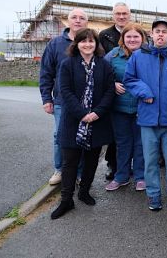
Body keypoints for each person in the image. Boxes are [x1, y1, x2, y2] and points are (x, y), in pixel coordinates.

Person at [124, 20, 167, 212]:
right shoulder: (139, 56)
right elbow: (129, 80)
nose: (161, 35)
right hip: (147, 119)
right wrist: (144, 92)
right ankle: (153, 195)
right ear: (151, 34)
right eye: (157, 31)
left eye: (164, 32)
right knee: (150, 160)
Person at [51, 28, 115, 219]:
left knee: (91, 161)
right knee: (70, 163)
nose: (87, 44)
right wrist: (82, 114)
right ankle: (66, 200)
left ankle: (84, 192)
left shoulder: (104, 65)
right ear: (76, 44)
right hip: (73, 121)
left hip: (97, 121)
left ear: (96, 44)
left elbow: (109, 91)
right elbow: (65, 92)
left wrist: (96, 113)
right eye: (83, 41)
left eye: (91, 41)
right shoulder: (67, 64)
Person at [40, 8, 88, 185]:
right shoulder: (55, 44)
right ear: (68, 21)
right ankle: (59, 170)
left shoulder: (91, 42)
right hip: (62, 101)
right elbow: (46, 72)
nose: (77, 20)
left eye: (81, 18)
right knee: (60, 136)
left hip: (86, 101)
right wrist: (46, 99)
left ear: (86, 22)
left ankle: (80, 173)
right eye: (74, 17)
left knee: (83, 136)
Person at [104, 23, 146, 192]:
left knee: (141, 143)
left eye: (136, 36)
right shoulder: (113, 55)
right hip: (119, 107)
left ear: (142, 38)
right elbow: (102, 75)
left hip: (142, 107)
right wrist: (112, 84)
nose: (132, 39)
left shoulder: (148, 55)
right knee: (122, 143)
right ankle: (121, 176)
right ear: (123, 38)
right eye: (129, 36)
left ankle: (140, 176)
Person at [99, 2, 132, 181]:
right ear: (113, 16)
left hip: (133, 93)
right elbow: (101, 64)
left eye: (124, 13)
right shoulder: (104, 35)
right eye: (118, 13)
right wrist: (111, 84)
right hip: (115, 91)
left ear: (129, 15)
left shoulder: (136, 33)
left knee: (132, 134)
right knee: (115, 134)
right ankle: (113, 165)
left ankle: (129, 166)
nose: (121, 16)